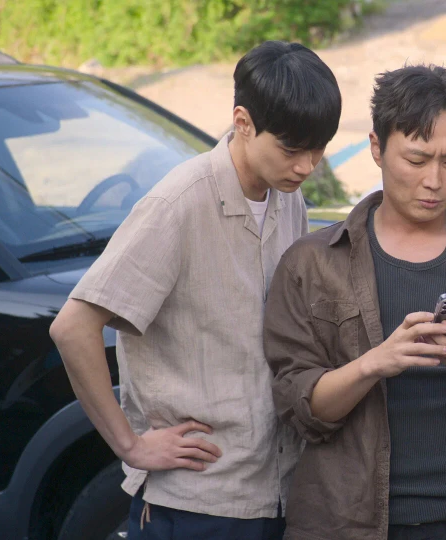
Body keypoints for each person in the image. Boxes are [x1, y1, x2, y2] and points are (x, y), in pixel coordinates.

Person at [48, 41, 341, 540]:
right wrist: (131, 446)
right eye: (292, 150)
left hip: (276, 491)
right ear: (243, 122)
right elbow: (73, 328)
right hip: (195, 500)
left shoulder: (288, 200)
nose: (306, 166)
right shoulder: (177, 204)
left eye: (318, 150)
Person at [264, 64, 446, 540]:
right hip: (354, 524)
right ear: (377, 148)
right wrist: (374, 364)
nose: (435, 181)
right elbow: (300, 410)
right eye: (417, 159)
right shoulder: (312, 264)